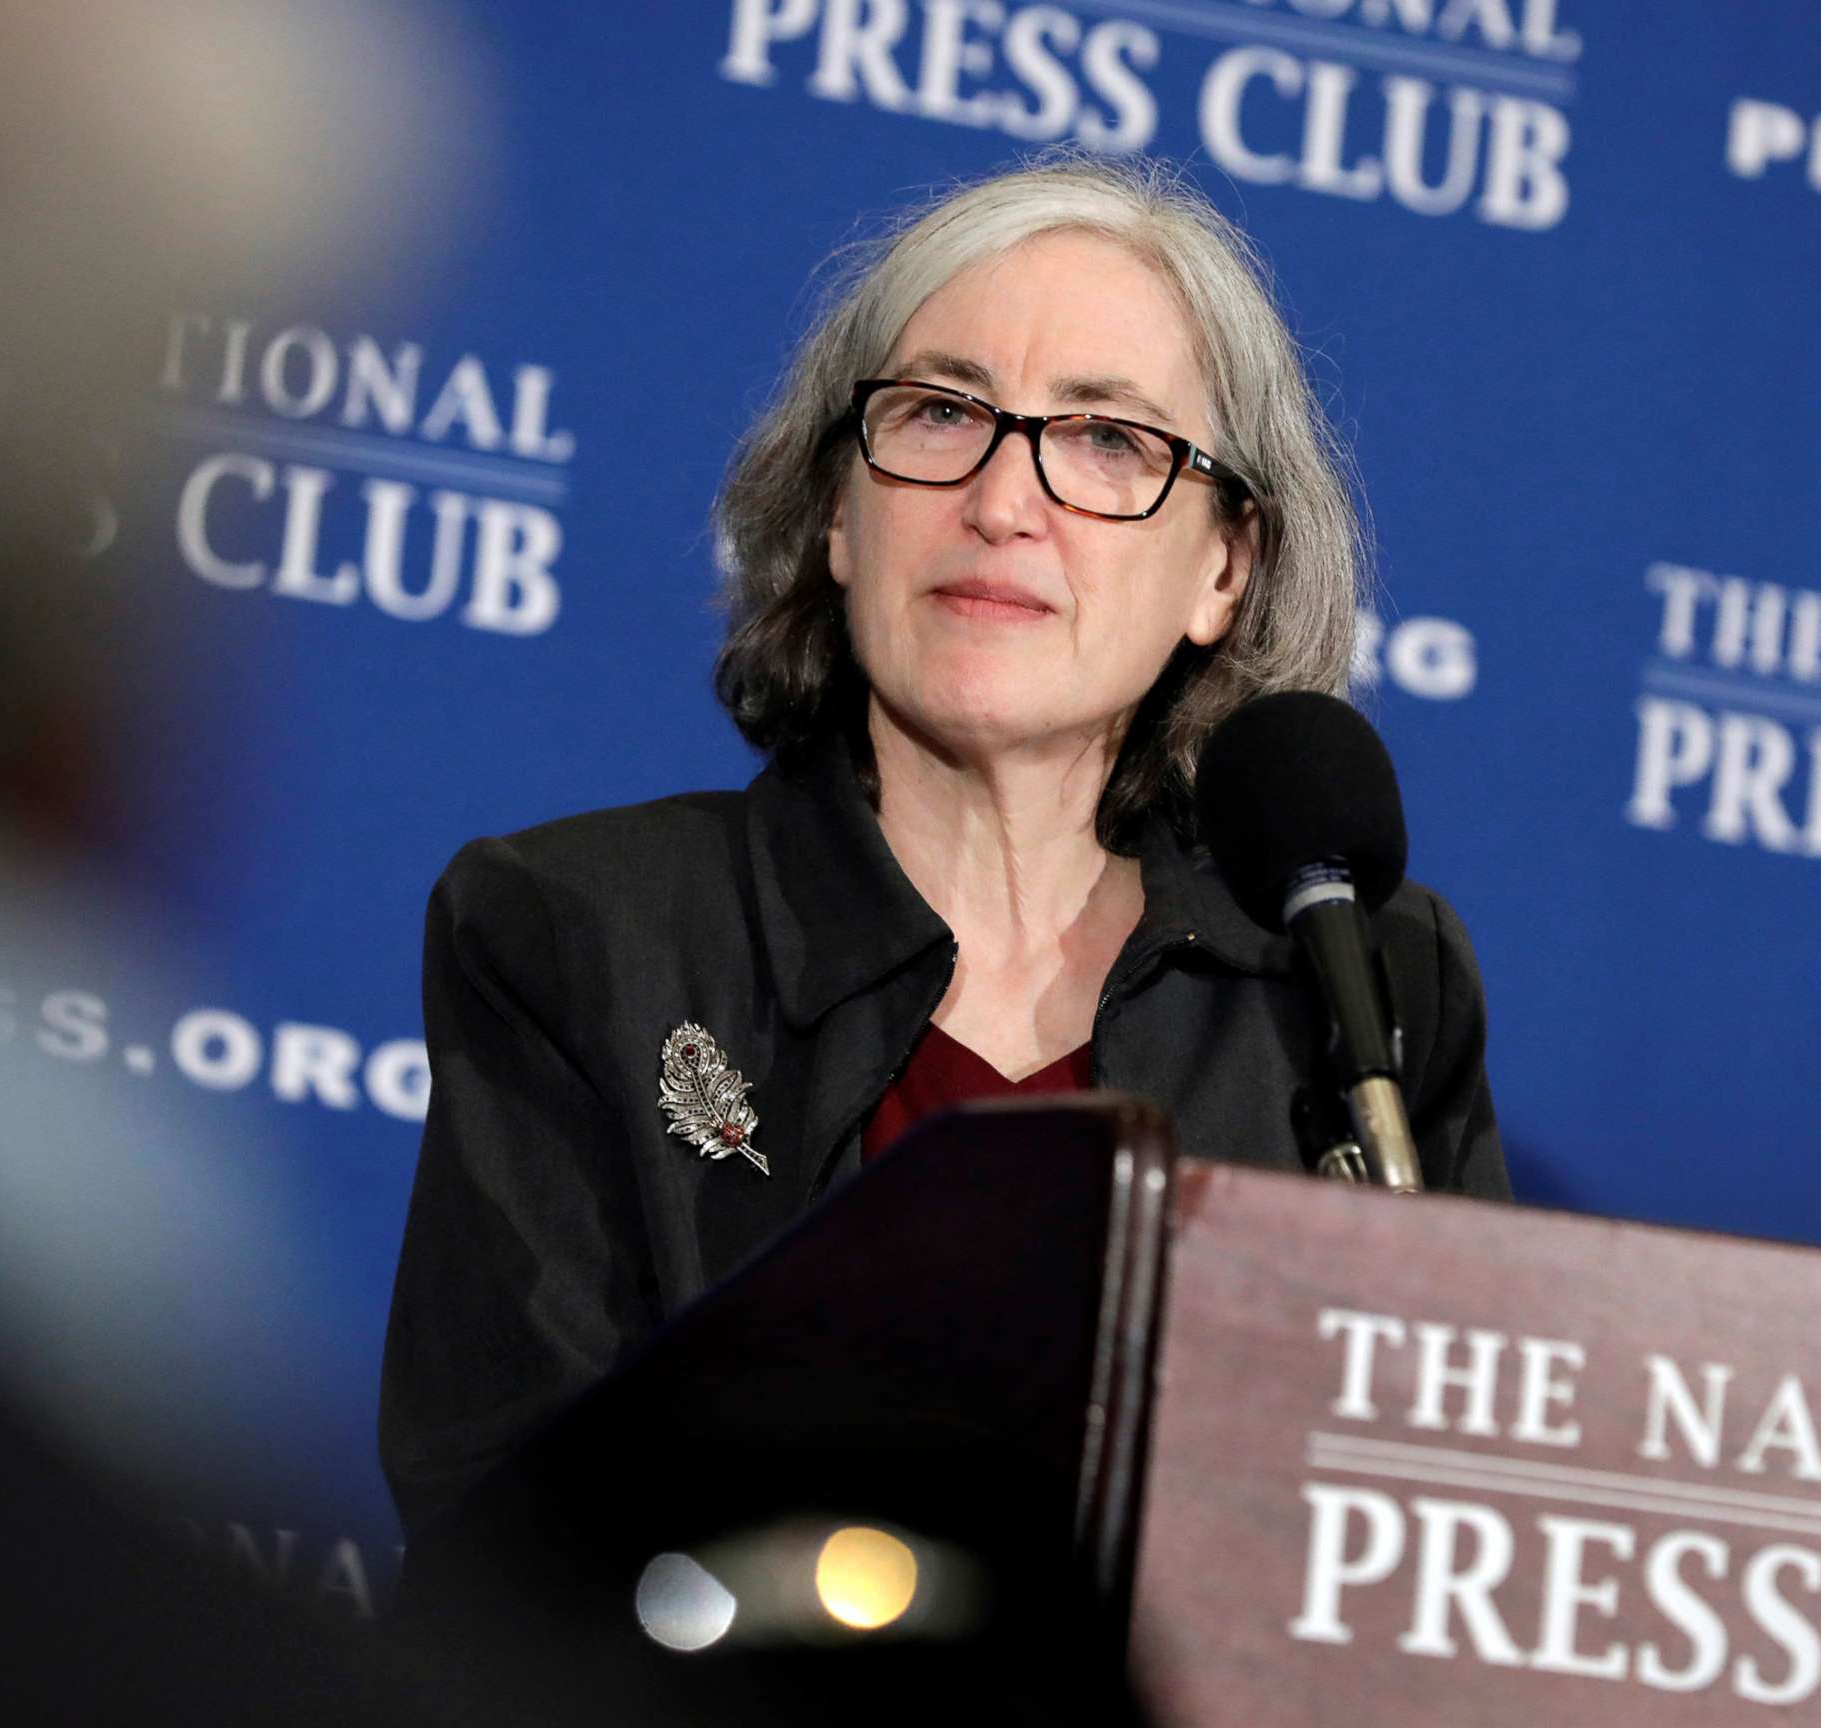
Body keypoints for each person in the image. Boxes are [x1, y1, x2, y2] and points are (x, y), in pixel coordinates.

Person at [378, 154, 1509, 1544]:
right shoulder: (580, 933)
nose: (1003, 499)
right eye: (938, 412)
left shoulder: (1361, 991)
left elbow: (1443, 1547)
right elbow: (504, 1531)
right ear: (842, 514)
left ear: (1226, 568)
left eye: (1109, 440)